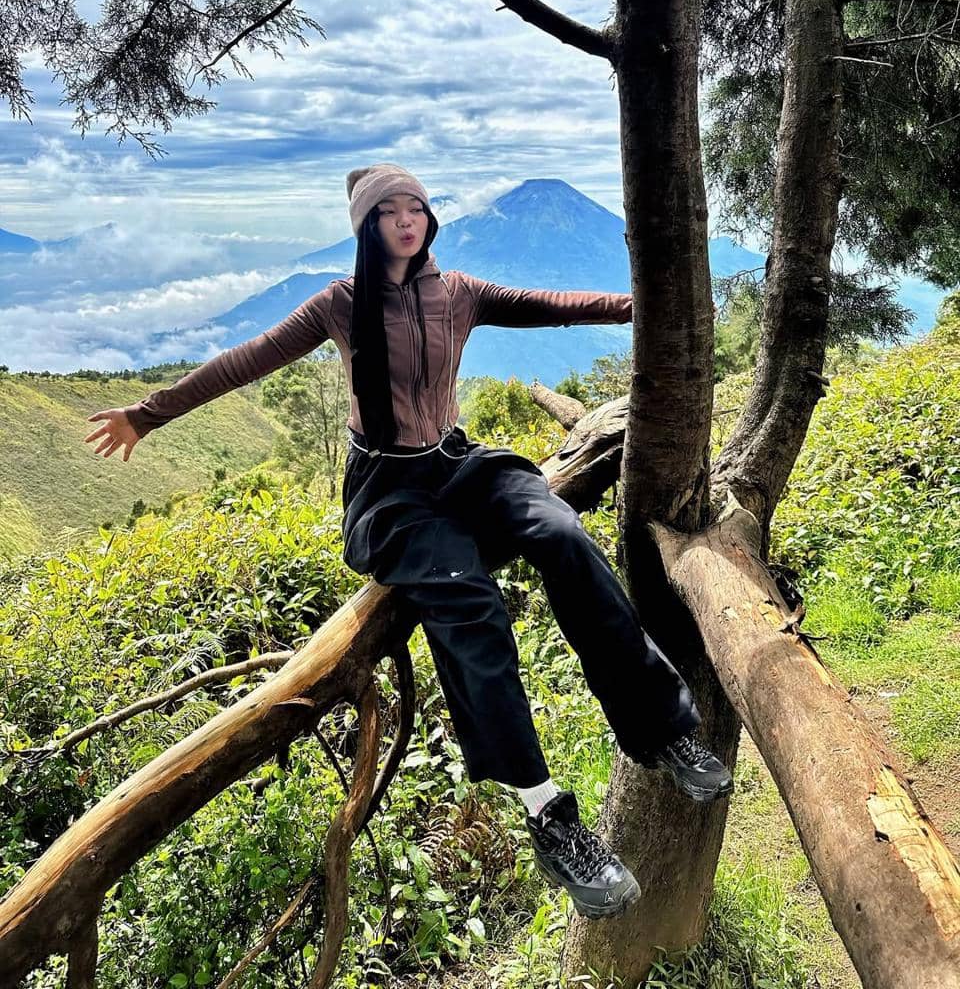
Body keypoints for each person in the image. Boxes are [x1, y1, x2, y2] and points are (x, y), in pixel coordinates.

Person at [86, 164, 733, 920]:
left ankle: (660, 731)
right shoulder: (340, 303)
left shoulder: (457, 292)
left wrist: (645, 306)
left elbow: (551, 305)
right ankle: (548, 813)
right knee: (470, 605)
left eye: (414, 207)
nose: (405, 219)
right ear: (367, 226)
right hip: (390, 494)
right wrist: (149, 413)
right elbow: (245, 361)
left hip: (460, 465)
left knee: (562, 535)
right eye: (388, 211)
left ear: (429, 216)